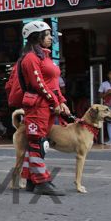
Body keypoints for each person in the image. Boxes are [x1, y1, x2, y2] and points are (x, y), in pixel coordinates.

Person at [19, 20, 70, 196]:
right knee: (37, 143)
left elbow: (53, 83)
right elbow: (39, 84)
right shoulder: (30, 58)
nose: (51, 37)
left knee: (38, 143)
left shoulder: (44, 57)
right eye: (47, 35)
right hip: (37, 107)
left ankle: (31, 180)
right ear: (36, 37)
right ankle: (42, 181)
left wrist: (61, 101)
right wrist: (54, 102)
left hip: (46, 106)